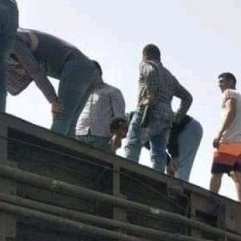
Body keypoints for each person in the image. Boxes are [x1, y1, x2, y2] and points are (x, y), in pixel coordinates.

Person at [7, 29, 100, 136]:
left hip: (76, 67)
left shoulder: (13, 38)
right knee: (69, 124)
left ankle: (50, 147)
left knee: (60, 115)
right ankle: (64, 147)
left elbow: (35, 72)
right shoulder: (14, 36)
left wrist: (53, 100)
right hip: (89, 70)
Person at [124, 44, 192, 173]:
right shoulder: (169, 76)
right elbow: (187, 98)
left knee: (133, 142)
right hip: (166, 117)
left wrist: (150, 98)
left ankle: (127, 173)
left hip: (148, 110)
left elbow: (151, 72)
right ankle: (158, 178)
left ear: (145, 55)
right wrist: (177, 118)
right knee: (159, 152)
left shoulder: (146, 64)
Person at [211, 72, 241, 203]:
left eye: (222, 81)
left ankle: (210, 200)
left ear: (231, 82)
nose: (219, 85)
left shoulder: (229, 93)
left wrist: (219, 134)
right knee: (237, 174)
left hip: (229, 140)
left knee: (216, 172)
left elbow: (230, 111)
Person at [75, 61, 126, 152]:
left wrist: (118, 136)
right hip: (80, 134)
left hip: (102, 138)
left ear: (97, 72)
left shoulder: (112, 91)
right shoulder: (83, 92)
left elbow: (119, 116)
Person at [167, 115, 203, 181]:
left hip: (186, 127)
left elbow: (171, 134)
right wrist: (169, 162)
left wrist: (174, 156)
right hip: (192, 126)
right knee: (182, 168)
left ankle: (179, 186)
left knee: (179, 166)